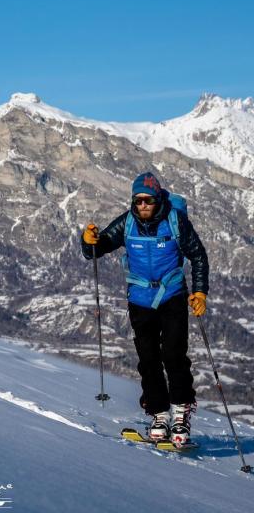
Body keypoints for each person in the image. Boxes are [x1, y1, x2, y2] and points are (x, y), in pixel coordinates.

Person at [80, 171, 209, 444]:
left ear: (158, 198)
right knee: (148, 360)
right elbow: (96, 249)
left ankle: (181, 414)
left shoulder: (175, 222)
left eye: (148, 200)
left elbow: (198, 255)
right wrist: (88, 240)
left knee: (174, 355)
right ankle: (159, 413)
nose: (143, 206)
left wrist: (199, 292)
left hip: (172, 296)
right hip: (140, 301)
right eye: (137, 201)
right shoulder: (127, 223)